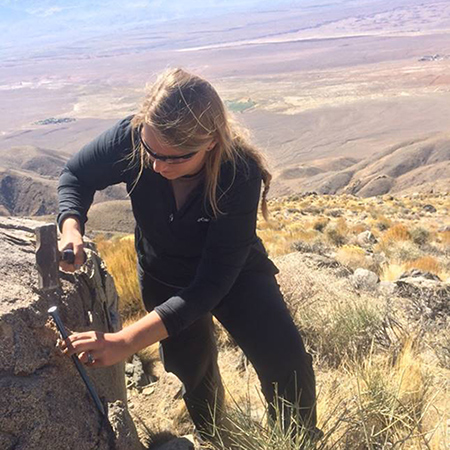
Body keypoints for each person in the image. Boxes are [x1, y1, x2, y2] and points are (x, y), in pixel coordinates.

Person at [57, 68, 318, 444]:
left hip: (235, 276)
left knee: (286, 365)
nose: (157, 165)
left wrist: (127, 341)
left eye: (175, 158)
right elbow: (76, 176)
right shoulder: (132, 139)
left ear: (210, 142)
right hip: (163, 271)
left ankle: (298, 440)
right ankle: (216, 436)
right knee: (193, 372)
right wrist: (71, 228)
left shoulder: (238, 172)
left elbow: (211, 284)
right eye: (151, 152)